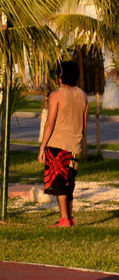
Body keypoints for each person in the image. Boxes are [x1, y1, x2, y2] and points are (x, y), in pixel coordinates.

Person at [43, 60, 89, 227]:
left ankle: (64, 219)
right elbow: (84, 125)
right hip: (75, 146)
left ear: (61, 76)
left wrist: (42, 147)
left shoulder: (56, 95)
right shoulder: (83, 95)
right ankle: (69, 217)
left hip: (58, 145)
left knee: (59, 183)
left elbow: (50, 123)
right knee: (69, 182)